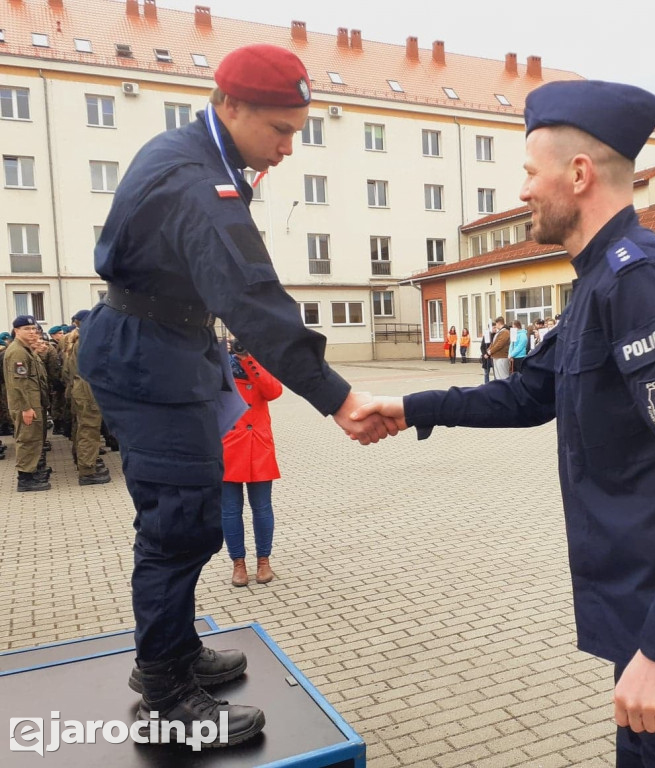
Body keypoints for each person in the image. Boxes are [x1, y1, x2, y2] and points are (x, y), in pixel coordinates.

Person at [351, 79, 655, 767]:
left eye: (530, 173)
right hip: (654, 622)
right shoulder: (600, 283)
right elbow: (533, 392)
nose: (523, 191)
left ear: (579, 173)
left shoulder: (643, 283)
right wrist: (412, 407)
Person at [77, 44, 395, 747]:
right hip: (147, 358)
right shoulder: (196, 180)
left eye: (297, 132)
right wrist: (336, 396)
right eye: (280, 131)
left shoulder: (207, 158)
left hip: (169, 351)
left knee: (186, 515)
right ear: (231, 106)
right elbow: (251, 296)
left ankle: (177, 650)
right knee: (179, 522)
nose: (287, 150)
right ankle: (164, 690)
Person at [222, 339, 283, 587]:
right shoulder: (218, 366)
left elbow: (273, 391)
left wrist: (247, 358)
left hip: (258, 445)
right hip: (227, 446)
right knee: (229, 511)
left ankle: (263, 561)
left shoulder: (258, 361)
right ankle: (238, 563)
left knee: (262, 507)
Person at [4, 315, 50, 492]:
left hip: (32, 402)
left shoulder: (26, 349)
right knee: (27, 439)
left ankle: (31, 471)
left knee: (33, 438)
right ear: (17, 331)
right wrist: (26, 408)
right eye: (27, 329)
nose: (32, 332)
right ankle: (26, 478)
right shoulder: (18, 352)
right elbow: (19, 383)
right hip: (26, 405)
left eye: (34, 329)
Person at [63, 310, 110, 485]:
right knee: (89, 430)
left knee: (84, 428)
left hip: (81, 388)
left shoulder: (78, 340)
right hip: (87, 389)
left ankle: (85, 464)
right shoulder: (85, 341)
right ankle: (88, 471)